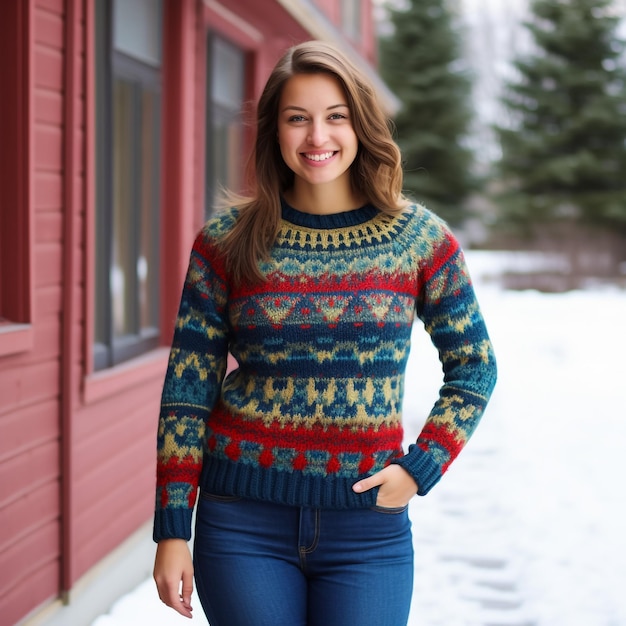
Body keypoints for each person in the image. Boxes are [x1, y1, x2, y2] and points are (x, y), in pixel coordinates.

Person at [152, 40, 497, 626]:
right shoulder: (227, 241)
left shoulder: (418, 240)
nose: (318, 137)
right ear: (274, 131)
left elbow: (474, 366)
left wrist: (421, 467)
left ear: (360, 125)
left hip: (367, 531)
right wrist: (171, 529)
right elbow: (188, 391)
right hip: (242, 523)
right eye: (297, 118)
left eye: (335, 116)